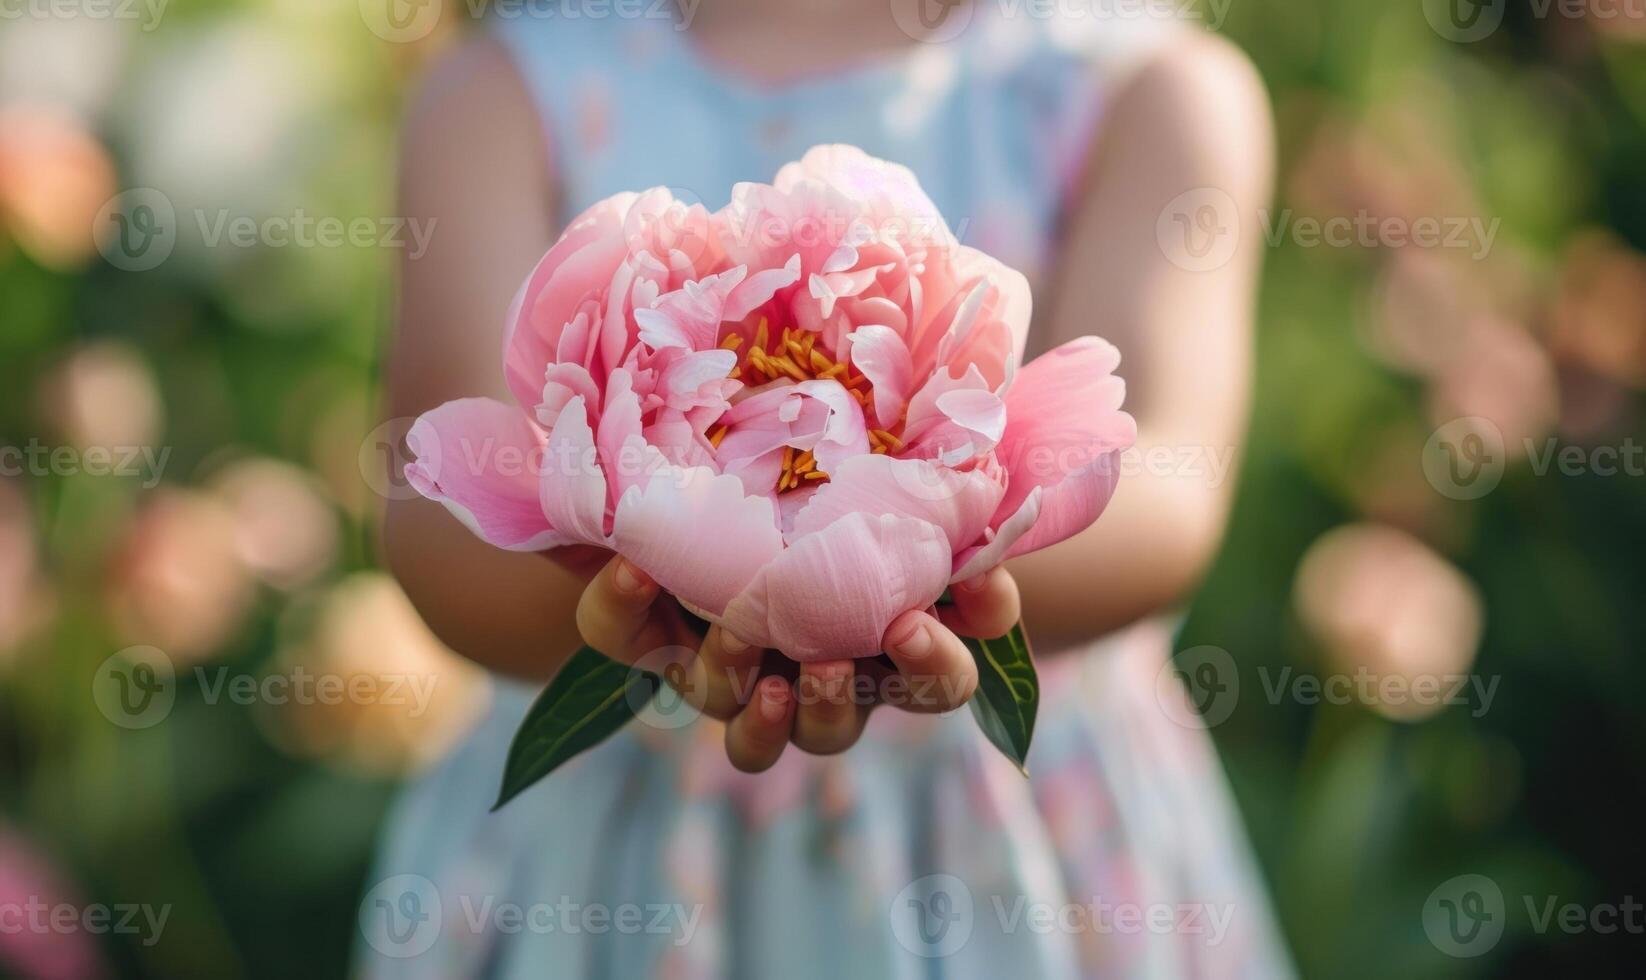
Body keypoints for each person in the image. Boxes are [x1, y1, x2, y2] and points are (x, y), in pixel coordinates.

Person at [365, 1, 1292, 976]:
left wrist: (891, 583)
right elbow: (441, 508)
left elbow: (1163, 488)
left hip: (1015, 857)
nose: (798, 423)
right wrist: (692, 602)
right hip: (602, 866)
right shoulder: (497, 95)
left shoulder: (1146, 89)